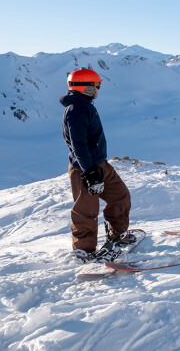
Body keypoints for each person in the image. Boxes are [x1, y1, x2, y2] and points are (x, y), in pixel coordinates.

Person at [61, 68, 134, 261]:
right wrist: (90, 173)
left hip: (100, 164)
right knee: (86, 211)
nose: (98, 90)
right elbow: (79, 145)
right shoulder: (76, 111)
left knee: (120, 196)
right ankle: (84, 251)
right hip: (84, 169)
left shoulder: (85, 105)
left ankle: (116, 235)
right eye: (95, 86)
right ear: (85, 88)